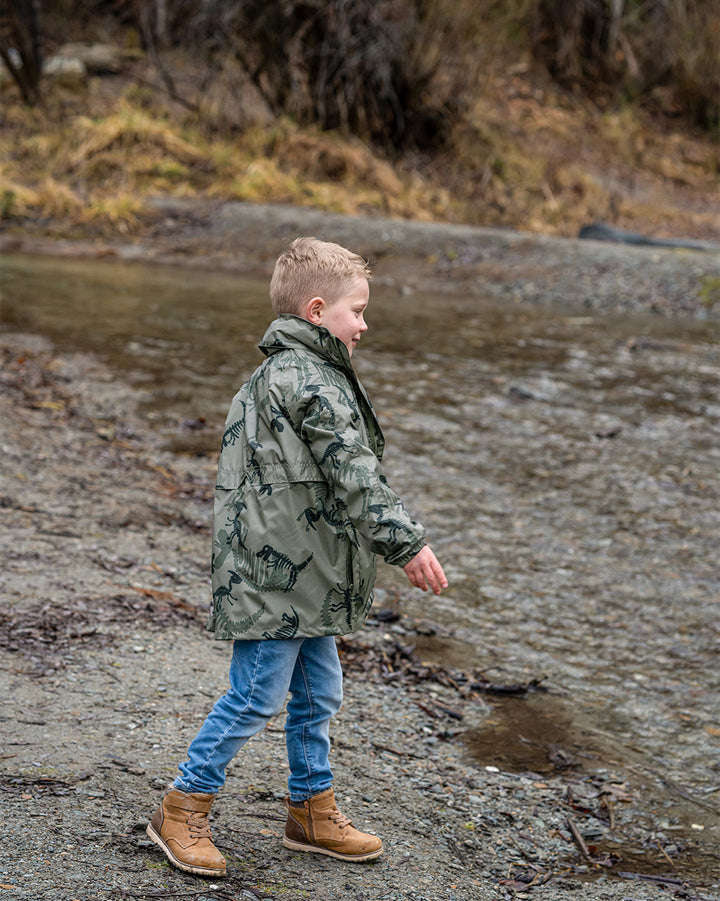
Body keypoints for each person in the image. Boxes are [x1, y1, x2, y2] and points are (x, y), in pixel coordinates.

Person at [146, 236, 447, 877]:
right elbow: (353, 471)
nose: (364, 324)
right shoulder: (307, 380)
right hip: (275, 574)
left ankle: (311, 809)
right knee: (256, 694)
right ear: (317, 311)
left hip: (303, 571)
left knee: (318, 692)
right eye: (357, 311)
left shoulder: (289, 373)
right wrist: (407, 542)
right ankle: (181, 806)